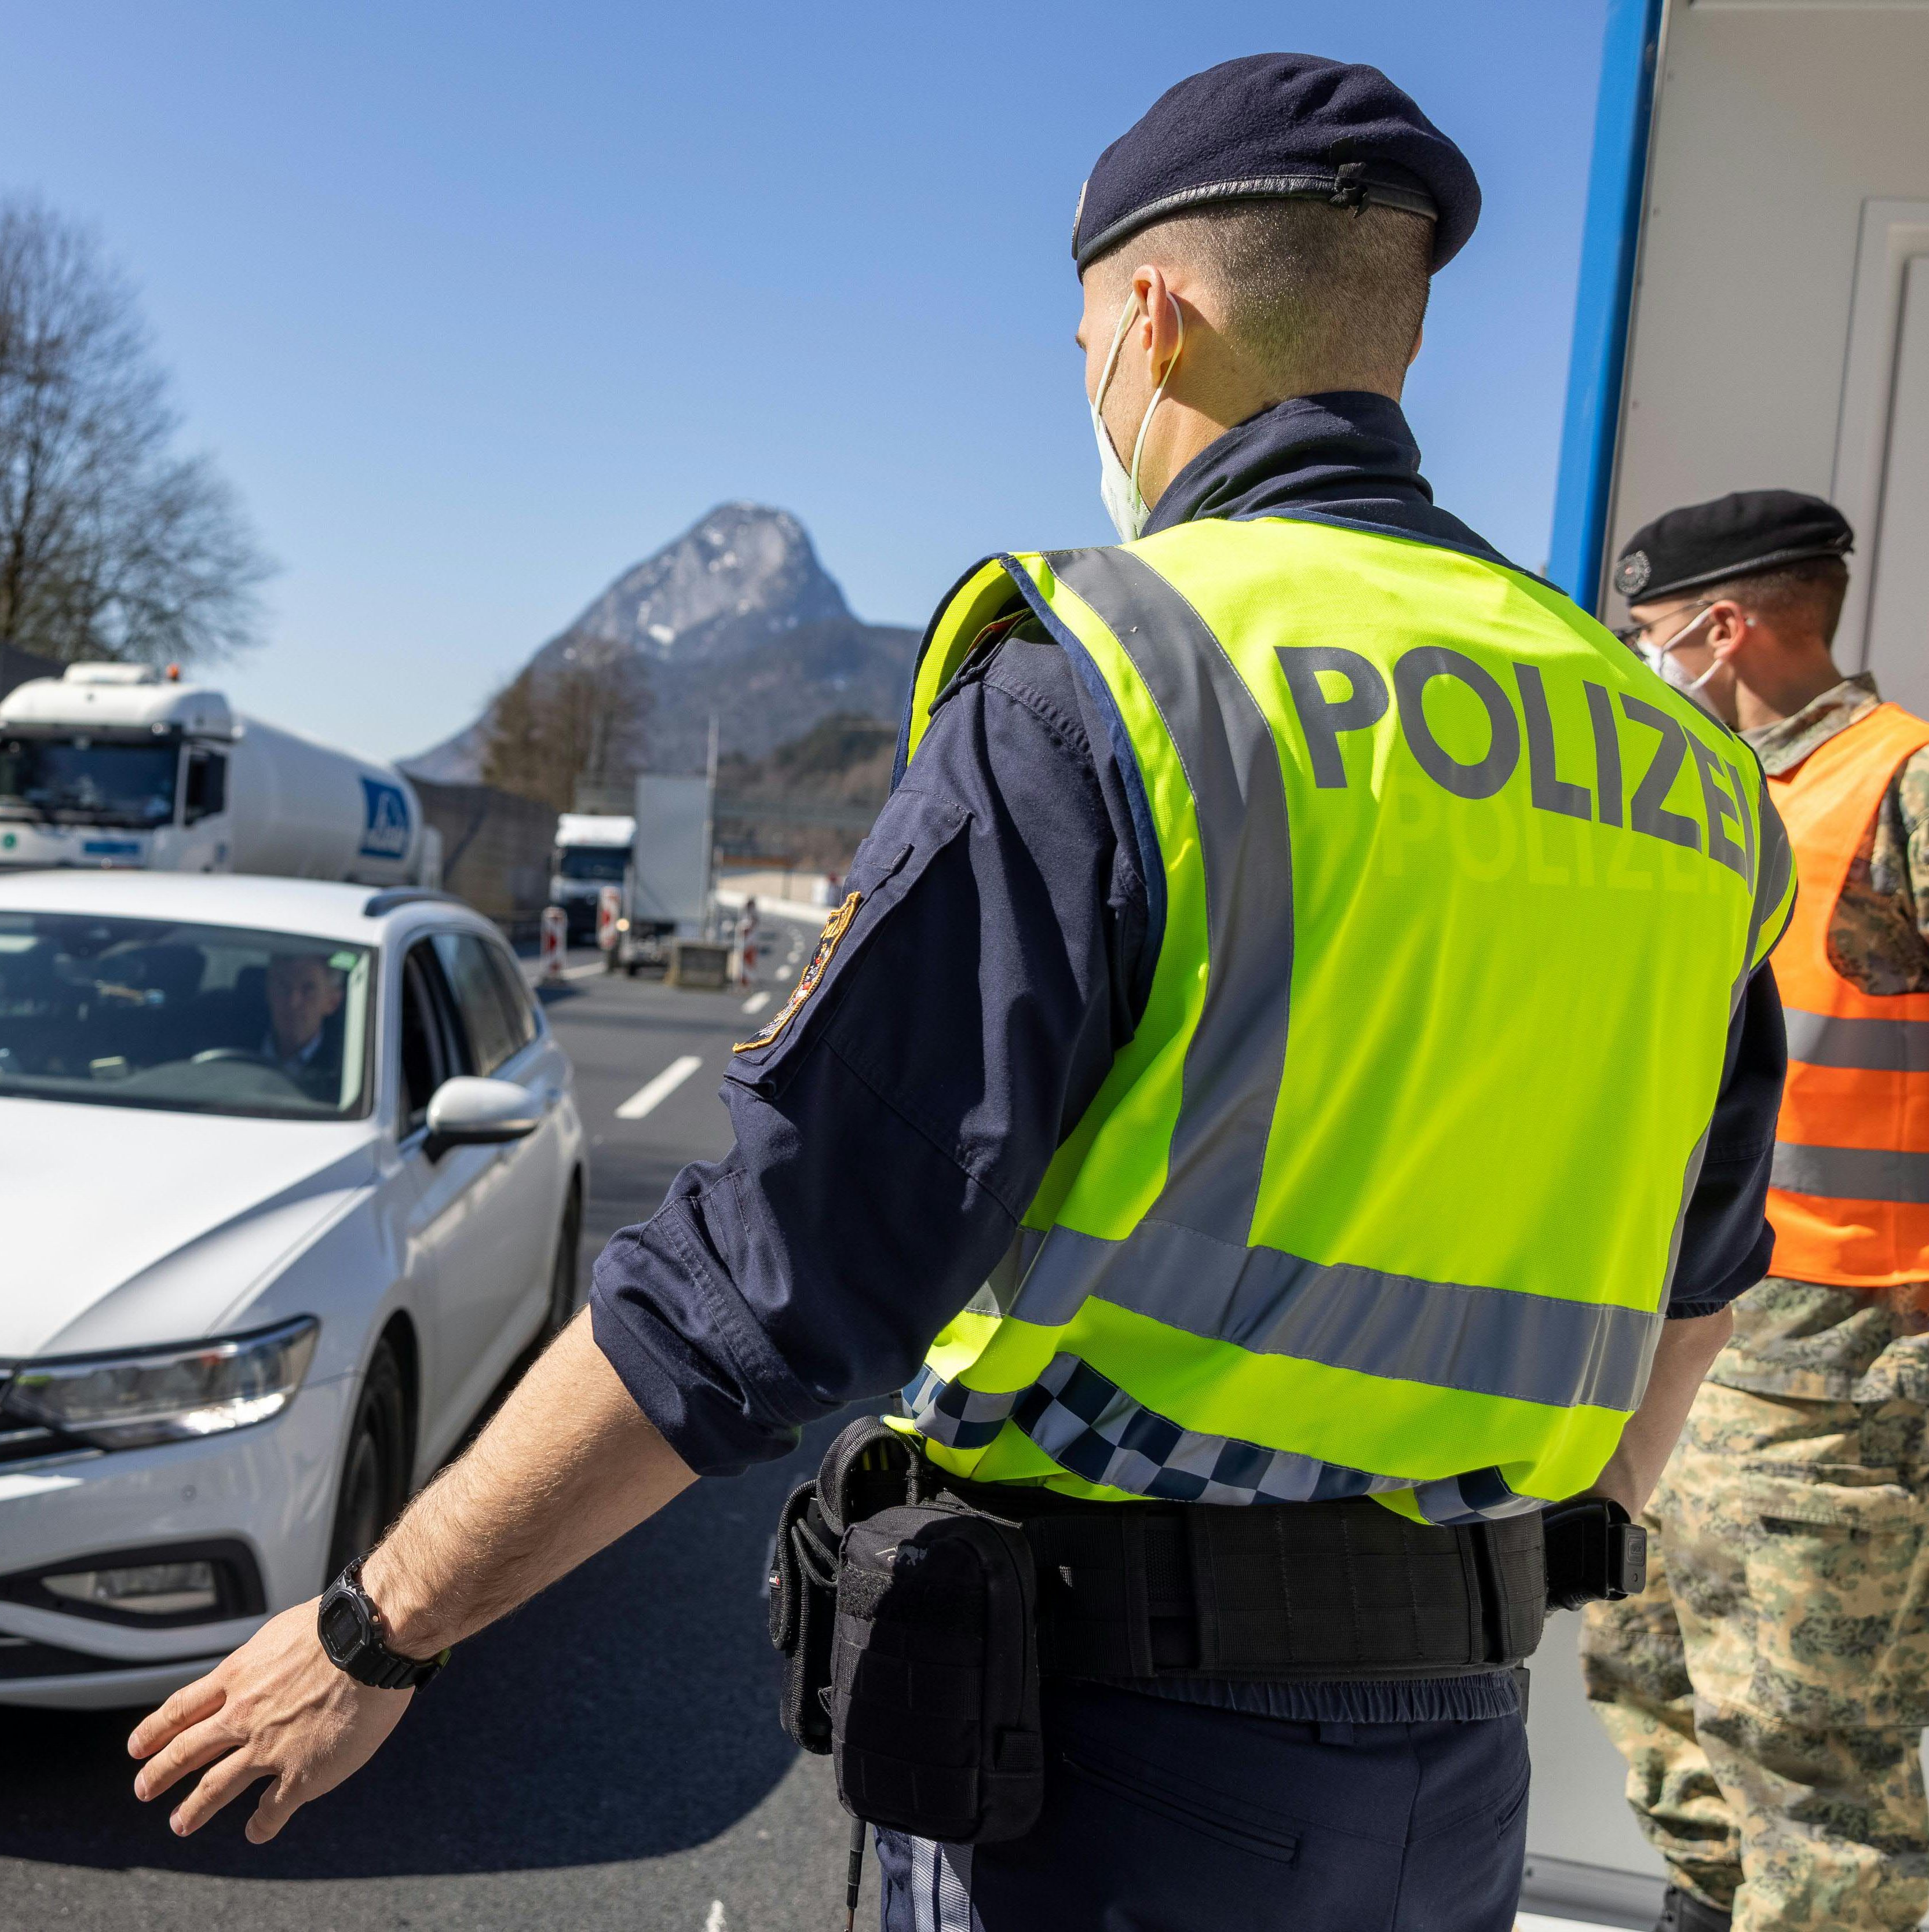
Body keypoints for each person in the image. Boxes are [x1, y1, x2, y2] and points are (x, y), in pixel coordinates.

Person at [124, 55, 1795, 1931]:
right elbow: (1699, 1272)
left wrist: (377, 1622)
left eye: (1083, 329)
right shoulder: (1679, 769)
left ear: (1146, 322)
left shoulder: (1126, 682)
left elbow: (772, 1275)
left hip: (1117, 1777)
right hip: (1453, 1764)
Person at [1584, 492, 1929, 1932]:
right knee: (1656, 1715)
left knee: (1815, 1785)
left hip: (1830, 1376)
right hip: (1673, 1348)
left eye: (1653, 640)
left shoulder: (1895, 780)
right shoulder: (1707, 796)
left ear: (1724, 631)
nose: (1645, 665)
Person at [257, 950, 345, 1100]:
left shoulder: (347, 1073)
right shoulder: (226, 1043)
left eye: (308, 990)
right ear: (269, 990)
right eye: (284, 986)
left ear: (332, 1002)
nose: (293, 1003)